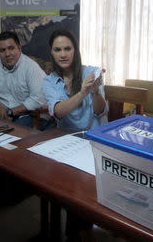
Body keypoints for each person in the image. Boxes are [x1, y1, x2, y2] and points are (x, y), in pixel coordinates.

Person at [43, 28, 107, 241]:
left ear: (75, 50)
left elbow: (99, 111)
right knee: (68, 185)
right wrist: (83, 92)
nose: (63, 54)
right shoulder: (49, 81)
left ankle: (79, 232)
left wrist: (95, 90)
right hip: (67, 142)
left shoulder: (92, 72)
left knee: (80, 187)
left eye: (67, 48)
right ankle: (76, 232)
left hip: (94, 141)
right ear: (51, 53)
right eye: (57, 49)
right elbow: (58, 111)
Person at [0, 31, 52, 129]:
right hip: (1, 112)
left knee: (11, 133)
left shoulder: (31, 67)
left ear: (19, 48)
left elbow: (37, 99)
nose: (7, 54)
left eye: (11, 48)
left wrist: (11, 112)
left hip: (29, 114)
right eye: (2, 50)